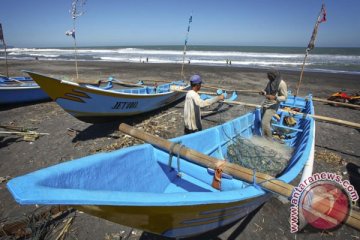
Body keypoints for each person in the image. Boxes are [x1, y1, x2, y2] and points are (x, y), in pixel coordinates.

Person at [259, 69, 287, 138]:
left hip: (273, 105)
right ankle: (265, 136)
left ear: (274, 76)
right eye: (268, 76)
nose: (268, 78)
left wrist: (275, 97)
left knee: (264, 123)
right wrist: (263, 92)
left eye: (269, 76)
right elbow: (266, 91)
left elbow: (285, 97)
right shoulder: (271, 81)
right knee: (267, 122)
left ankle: (269, 141)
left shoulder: (282, 84)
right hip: (266, 104)